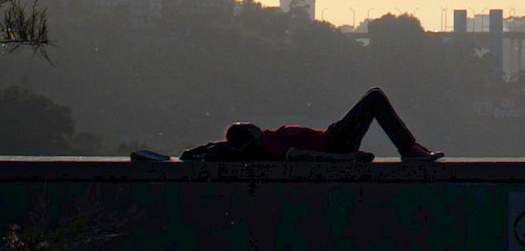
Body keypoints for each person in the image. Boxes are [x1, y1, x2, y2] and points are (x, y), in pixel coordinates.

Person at [179, 86, 442, 161]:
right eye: (251, 124)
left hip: (333, 138)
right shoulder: (269, 144)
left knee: (374, 98)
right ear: (251, 132)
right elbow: (303, 155)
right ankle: (408, 149)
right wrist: (349, 158)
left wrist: (193, 153)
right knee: (374, 98)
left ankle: (409, 148)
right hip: (334, 142)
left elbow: (216, 147)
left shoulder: (265, 143)